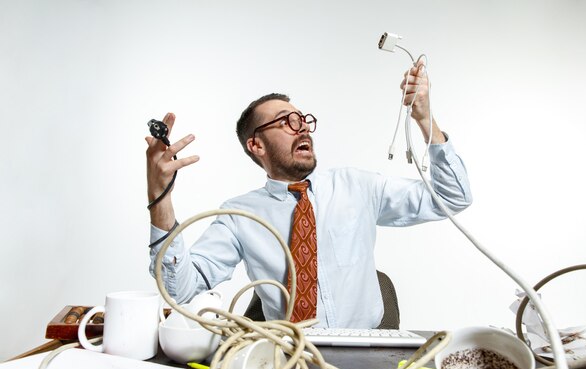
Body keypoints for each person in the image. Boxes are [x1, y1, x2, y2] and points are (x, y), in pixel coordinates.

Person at [146, 64, 472, 328]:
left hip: (366, 352)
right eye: (286, 123)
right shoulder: (238, 215)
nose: (301, 128)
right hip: (289, 355)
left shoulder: (358, 187)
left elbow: (453, 196)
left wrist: (425, 119)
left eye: (302, 121)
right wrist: (160, 196)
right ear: (256, 145)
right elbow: (182, 290)